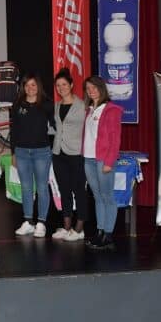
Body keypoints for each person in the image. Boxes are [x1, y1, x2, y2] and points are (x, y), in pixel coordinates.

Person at [11, 73, 55, 238]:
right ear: (23, 87)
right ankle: (28, 222)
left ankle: (41, 223)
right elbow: (14, 131)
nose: (30, 88)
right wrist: (13, 152)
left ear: (38, 87)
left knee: (42, 187)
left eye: (33, 85)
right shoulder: (18, 105)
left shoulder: (47, 104)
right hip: (21, 152)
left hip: (41, 152)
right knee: (26, 188)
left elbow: (57, 126)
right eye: (27, 85)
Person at [82, 75, 123, 251]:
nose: (91, 91)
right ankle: (100, 232)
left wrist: (109, 161)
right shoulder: (90, 110)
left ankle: (108, 235)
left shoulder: (111, 110)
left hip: (103, 160)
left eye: (94, 87)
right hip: (89, 159)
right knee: (97, 196)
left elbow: (115, 139)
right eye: (88, 88)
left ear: (101, 88)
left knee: (107, 197)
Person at [50, 68, 88, 242]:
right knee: (64, 190)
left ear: (71, 85)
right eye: (58, 85)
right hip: (58, 153)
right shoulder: (57, 106)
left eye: (64, 84)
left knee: (79, 191)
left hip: (76, 154)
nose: (61, 88)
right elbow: (56, 128)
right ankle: (66, 227)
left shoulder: (83, 106)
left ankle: (79, 229)